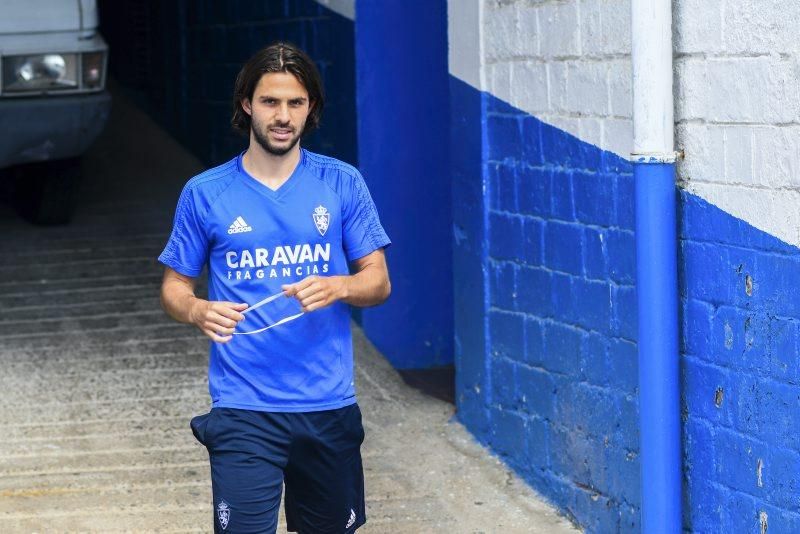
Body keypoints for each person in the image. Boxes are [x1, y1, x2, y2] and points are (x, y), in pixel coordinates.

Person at [158, 42, 391, 533]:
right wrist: (198, 310)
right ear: (247, 105)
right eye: (270, 102)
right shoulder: (206, 193)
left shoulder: (342, 183)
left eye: (295, 103)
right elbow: (175, 286)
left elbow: (378, 281)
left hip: (327, 405)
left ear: (311, 109)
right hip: (244, 407)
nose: (283, 116)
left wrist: (340, 286)